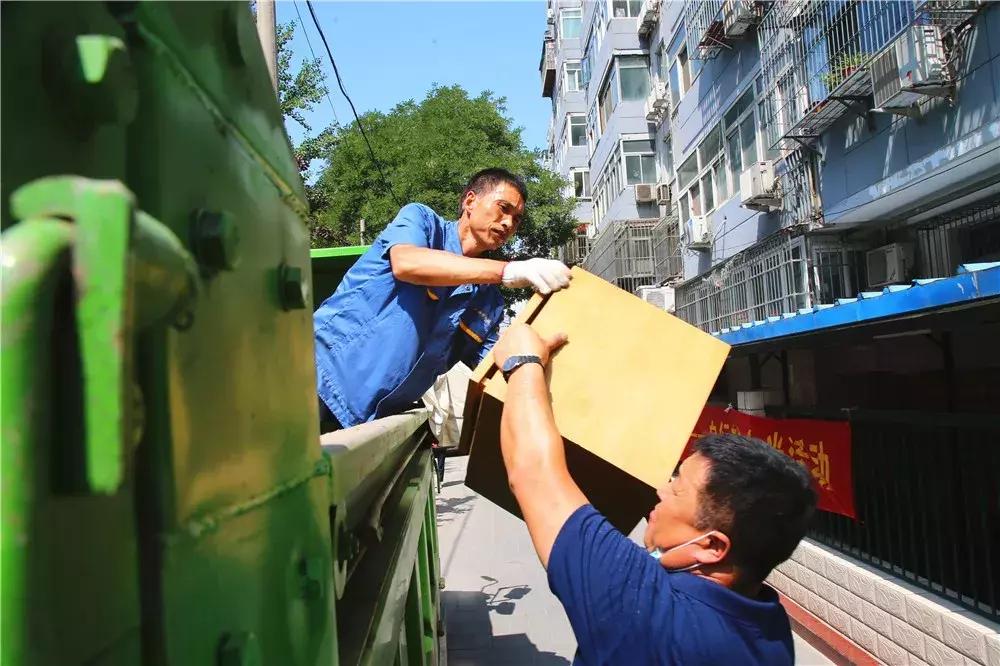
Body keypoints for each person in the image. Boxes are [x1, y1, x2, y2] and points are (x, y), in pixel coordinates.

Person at [491, 322, 819, 665]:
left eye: (677, 489)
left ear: (712, 546)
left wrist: (523, 361)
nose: (661, 491)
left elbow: (532, 472)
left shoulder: (649, 611)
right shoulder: (767, 627)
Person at [314, 168, 571, 432]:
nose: (508, 223)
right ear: (470, 201)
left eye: (517, 219)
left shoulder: (487, 300)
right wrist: (509, 270)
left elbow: (492, 368)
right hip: (317, 383)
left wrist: (534, 358)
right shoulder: (422, 222)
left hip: (368, 423)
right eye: (503, 208)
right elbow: (407, 263)